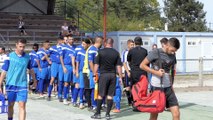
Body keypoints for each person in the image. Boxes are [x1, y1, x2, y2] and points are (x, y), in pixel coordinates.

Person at [140, 38, 180, 120]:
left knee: (176, 113)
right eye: (172, 50)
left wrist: (171, 84)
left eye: (175, 51)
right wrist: (156, 72)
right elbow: (142, 65)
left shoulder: (173, 56)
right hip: (156, 88)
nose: (173, 52)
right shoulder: (155, 52)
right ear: (167, 45)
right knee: (154, 115)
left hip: (168, 88)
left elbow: (170, 72)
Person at [0, 39, 37, 120]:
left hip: (22, 85)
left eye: (23, 47)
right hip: (11, 84)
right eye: (20, 46)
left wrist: (35, 81)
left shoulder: (27, 57)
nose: (21, 48)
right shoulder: (9, 56)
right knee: (10, 105)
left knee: (22, 105)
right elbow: (4, 71)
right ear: (16, 45)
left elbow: (31, 70)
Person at [91, 38, 122, 120]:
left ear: (105, 43)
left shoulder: (100, 52)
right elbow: (119, 66)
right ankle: (108, 114)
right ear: (112, 43)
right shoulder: (116, 53)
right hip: (113, 75)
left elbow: (96, 65)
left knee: (100, 94)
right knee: (110, 95)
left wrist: (94, 75)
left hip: (103, 75)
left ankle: (98, 113)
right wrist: (121, 78)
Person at [127, 36, 148, 110]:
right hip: (143, 71)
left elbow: (128, 60)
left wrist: (132, 66)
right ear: (141, 42)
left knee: (134, 87)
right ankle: (142, 103)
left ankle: (135, 103)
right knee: (142, 88)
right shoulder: (145, 51)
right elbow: (147, 62)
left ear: (135, 43)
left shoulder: (131, 51)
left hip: (134, 71)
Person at [83, 36, 103, 111]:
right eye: (102, 42)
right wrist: (94, 73)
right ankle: (93, 105)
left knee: (97, 89)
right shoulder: (92, 49)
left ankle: (97, 104)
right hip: (92, 72)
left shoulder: (97, 49)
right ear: (99, 42)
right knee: (93, 88)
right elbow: (90, 62)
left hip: (98, 71)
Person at [74, 39, 91, 108]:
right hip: (81, 71)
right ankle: (81, 101)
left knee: (88, 87)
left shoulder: (90, 51)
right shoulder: (80, 52)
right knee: (81, 86)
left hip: (89, 71)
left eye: (84, 44)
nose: (83, 45)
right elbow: (77, 62)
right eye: (82, 44)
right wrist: (77, 71)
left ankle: (88, 101)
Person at [47, 36, 63, 101]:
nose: (62, 42)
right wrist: (49, 60)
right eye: (61, 41)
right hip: (55, 64)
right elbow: (46, 54)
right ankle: (49, 95)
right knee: (52, 79)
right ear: (58, 41)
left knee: (60, 80)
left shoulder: (63, 48)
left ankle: (60, 95)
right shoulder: (53, 48)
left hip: (61, 65)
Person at [121, 39, 134, 106]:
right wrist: (127, 71)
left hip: (134, 71)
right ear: (128, 45)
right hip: (128, 71)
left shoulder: (134, 51)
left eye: (133, 45)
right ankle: (130, 100)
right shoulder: (125, 52)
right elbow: (124, 63)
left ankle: (134, 100)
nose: (132, 46)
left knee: (133, 86)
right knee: (128, 86)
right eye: (131, 45)